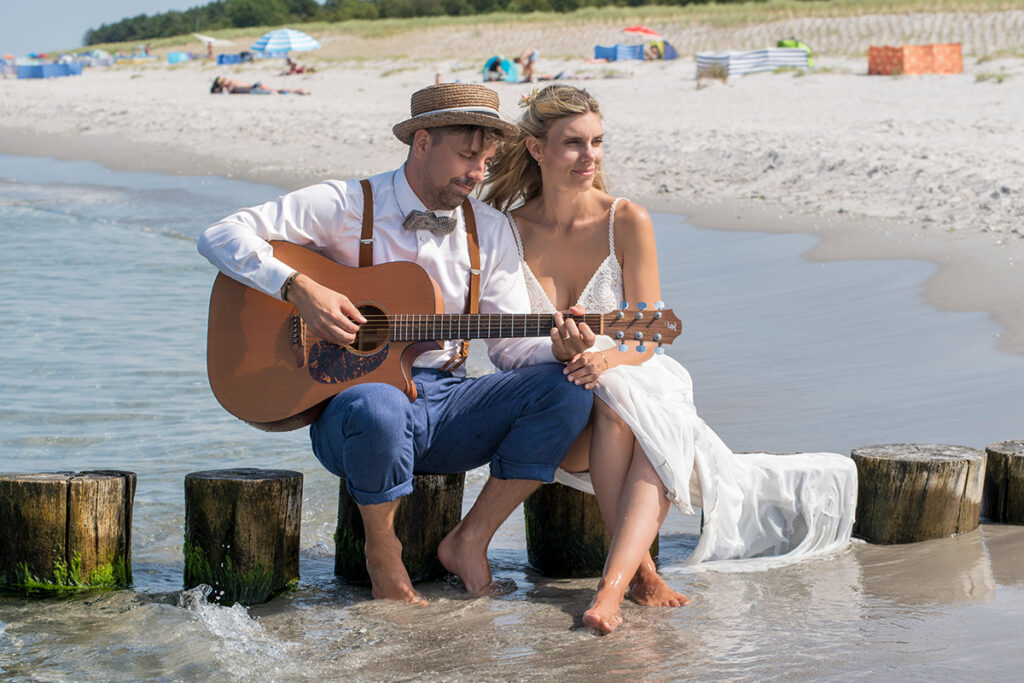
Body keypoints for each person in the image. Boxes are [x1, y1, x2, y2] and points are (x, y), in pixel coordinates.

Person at [197, 83, 594, 606]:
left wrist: (560, 350)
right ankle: (383, 554)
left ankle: (470, 541)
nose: (478, 174)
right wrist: (300, 288)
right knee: (379, 403)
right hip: (354, 414)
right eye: (467, 156)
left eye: (487, 160)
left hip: (449, 405)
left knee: (565, 391)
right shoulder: (344, 204)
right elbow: (221, 234)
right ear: (423, 142)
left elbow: (509, 351)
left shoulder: (491, 230)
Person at [481, 85, 857, 634]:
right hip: (556, 405)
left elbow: (648, 337)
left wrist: (607, 362)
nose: (590, 157)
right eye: (573, 144)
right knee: (618, 413)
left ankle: (611, 590)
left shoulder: (626, 220)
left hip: (633, 375)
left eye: (597, 142)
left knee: (622, 405)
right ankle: (643, 577)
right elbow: (501, 345)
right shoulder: (506, 231)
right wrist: (558, 351)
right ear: (537, 150)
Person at [210, 76, 309, 95]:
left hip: (254, 88)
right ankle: (297, 91)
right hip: (254, 87)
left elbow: (222, 92)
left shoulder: (231, 84)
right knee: (275, 90)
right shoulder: (230, 84)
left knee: (274, 91)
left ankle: (297, 91)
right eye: (224, 80)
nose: (226, 79)